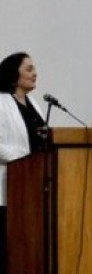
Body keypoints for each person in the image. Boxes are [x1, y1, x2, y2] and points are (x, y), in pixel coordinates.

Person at [0, 52, 46, 207]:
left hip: (32, 183)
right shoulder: (1, 103)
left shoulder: (33, 103)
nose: (35, 74)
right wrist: (23, 157)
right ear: (14, 74)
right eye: (29, 69)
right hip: (7, 183)